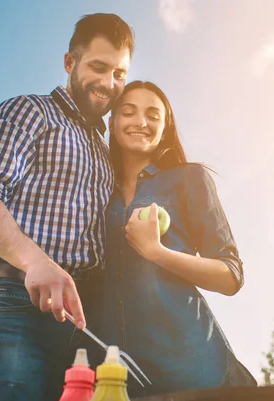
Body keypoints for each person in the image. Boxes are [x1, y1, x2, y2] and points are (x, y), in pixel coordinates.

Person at [0, 13, 135, 401]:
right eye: (99, 67)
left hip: (84, 319)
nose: (109, 84)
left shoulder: (106, 152)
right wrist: (36, 261)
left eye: (119, 74)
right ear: (70, 63)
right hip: (18, 300)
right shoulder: (29, 112)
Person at [101, 80, 257, 398]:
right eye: (128, 112)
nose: (140, 122)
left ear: (165, 126)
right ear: (113, 121)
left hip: (193, 367)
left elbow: (230, 276)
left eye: (153, 115)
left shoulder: (189, 179)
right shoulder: (95, 191)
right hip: (113, 373)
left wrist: (155, 252)